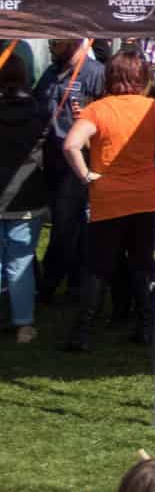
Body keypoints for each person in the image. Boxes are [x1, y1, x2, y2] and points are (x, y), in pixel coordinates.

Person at [60, 52, 155, 350]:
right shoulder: (152, 108)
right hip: (145, 197)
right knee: (142, 263)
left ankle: (83, 333)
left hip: (108, 197)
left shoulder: (97, 110)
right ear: (142, 78)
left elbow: (70, 145)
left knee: (98, 266)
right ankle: (145, 327)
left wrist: (86, 175)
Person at [32, 37, 104, 304]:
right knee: (64, 224)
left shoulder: (95, 74)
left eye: (56, 43)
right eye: (50, 43)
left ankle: (49, 286)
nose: (51, 46)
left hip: (77, 158)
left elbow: (105, 117)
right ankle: (74, 281)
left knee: (65, 224)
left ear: (74, 42)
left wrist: (85, 118)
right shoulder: (52, 71)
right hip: (47, 155)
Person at [1, 56, 47, 343]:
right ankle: (24, 325)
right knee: (21, 261)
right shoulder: (40, 112)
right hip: (27, 197)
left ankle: (21, 321)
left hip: (18, 195)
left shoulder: (39, 111)